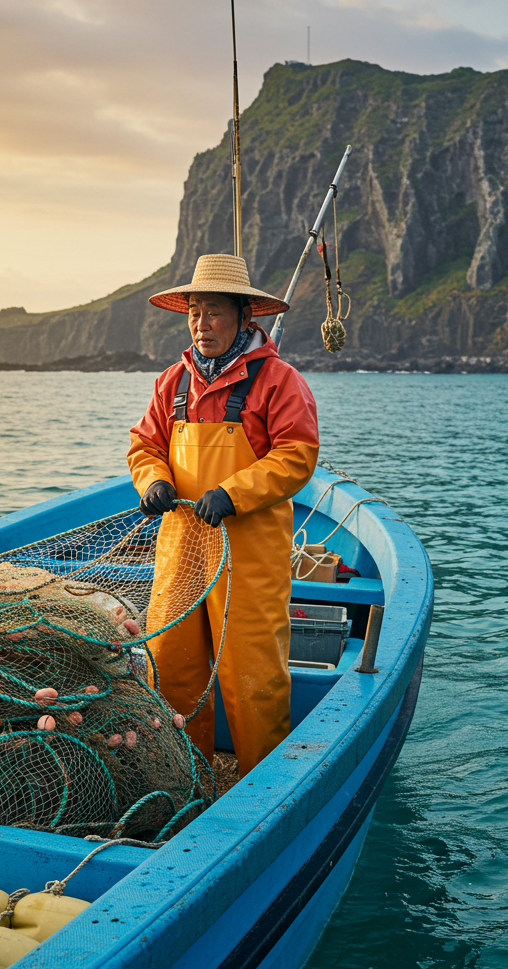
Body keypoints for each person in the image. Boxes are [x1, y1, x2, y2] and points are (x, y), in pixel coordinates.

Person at [127, 253, 319, 775]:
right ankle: (186, 781)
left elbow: (297, 455)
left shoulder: (279, 381)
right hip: (180, 553)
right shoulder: (173, 381)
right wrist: (154, 481)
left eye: (213, 312)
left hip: (248, 556)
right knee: (171, 670)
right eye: (194, 312)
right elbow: (145, 445)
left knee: (252, 677)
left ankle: (266, 788)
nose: (201, 324)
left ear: (244, 315)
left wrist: (233, 493)